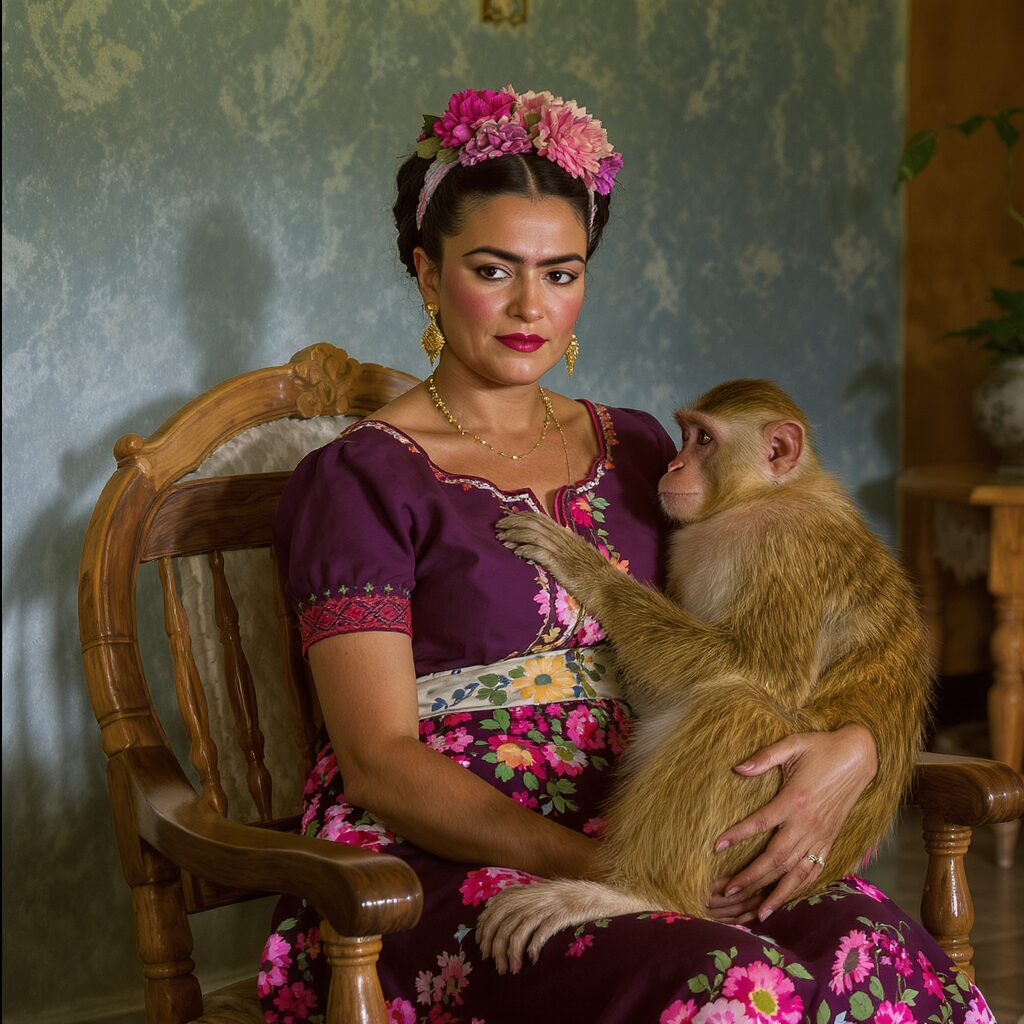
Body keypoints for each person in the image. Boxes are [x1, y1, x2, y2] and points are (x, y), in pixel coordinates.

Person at [259, 87, 993, 1024]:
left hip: (671, 813)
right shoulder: (360, 478)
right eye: (495, 269)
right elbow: (378, 763)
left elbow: (775, 657)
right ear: (426, 271)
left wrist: (854, 750)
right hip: (447, 857)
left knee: (874, 954)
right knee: (735, 992)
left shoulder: (646, 448)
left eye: (561, 274)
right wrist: (605, 872)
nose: (532, 305)